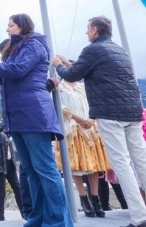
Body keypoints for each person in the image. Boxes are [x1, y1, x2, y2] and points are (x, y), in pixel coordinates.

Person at [53, 16, 146, 227]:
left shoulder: (92, 50)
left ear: (95, 30)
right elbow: (87, 69)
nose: (86, 33)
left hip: (110, 113)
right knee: (143, 161)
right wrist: (69, 62)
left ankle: (140, 218)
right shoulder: (119, 50)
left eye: (88, 29)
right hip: (132, 112)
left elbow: (72, 75)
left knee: (122, 163)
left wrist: (59, 66)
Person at [0, 14, 71, 227]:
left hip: (33, 112)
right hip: (18, 116)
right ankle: (38, 218)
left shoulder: (34, 45)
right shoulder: (17, 48)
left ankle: (59, 221)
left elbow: (17, 71)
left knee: (45, 169)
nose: (7, 29)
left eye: (11, 25)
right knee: (31, 170)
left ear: (22, 26)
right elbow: (6, 77)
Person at [55, 79, 110, 218]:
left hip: (90, 127)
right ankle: (83, 198)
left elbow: (95, 102)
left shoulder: (84, 86)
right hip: (71, 127)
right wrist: (77, 118)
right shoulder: (60, 87)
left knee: (93, 165)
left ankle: (95, 199)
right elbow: (59, 106)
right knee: (75, 164)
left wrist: (91, 119)